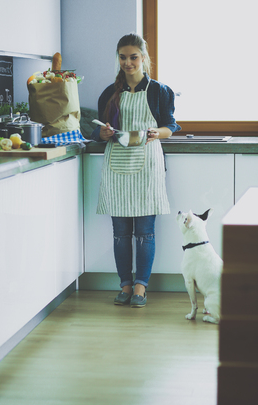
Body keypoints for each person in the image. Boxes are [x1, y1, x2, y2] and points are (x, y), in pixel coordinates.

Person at [91, 33, 181, 308]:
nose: (128, 63)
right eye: (122, 57)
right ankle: (125, 286)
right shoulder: (110, 92)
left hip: (148, 162)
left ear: (143, 58)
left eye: (133, 57)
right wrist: (103, 133)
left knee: (145, 232)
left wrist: (157, 132)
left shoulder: (159, 91)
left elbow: (171, 125)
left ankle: (141, 286)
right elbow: (98, 130)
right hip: (117, 163)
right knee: (120, 232)